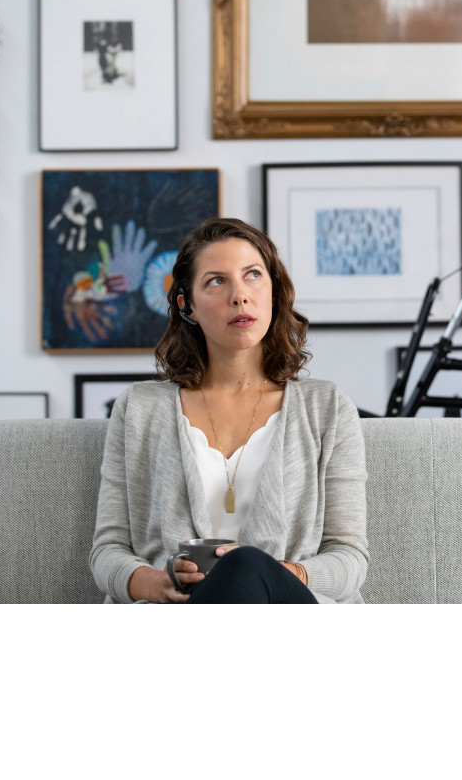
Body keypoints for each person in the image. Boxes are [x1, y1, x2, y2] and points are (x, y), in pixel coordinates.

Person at [89, 217, 368, 604]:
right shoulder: (139, 408)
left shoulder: (328, 407)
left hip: (288, 615)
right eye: (217, 281)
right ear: (187, 305)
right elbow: (108, 550)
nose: (240, 296)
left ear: (273, 290)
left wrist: (275, 576)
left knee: (245, 566)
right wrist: (156, 583)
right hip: (177, 616)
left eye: (253, 275)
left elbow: (350, 557)